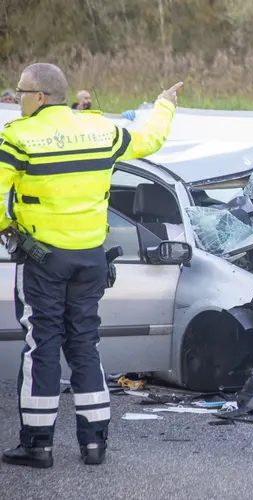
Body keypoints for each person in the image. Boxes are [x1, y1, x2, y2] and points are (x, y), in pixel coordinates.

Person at [0, 63, 183, 469]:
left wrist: (8, 228)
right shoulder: (103, 131)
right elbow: (150, 139)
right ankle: (95, 443)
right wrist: (165, 104)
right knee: (84, 343)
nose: (16, 100)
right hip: (91, 258)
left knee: (42, 345)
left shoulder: (19, 139)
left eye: (20, 93)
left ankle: (37, 445)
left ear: (40, 97)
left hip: (43, 259)